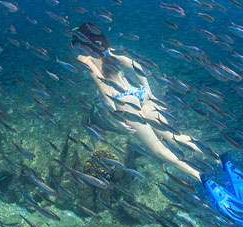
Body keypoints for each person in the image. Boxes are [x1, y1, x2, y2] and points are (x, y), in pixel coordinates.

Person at [71, 22, 208, 180]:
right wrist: (149, 91)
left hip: (124, 100)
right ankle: (218, 159)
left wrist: (116, 116)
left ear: (81, 41)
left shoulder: (84, 58)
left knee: (158, 149)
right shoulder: (107, 50)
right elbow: (135, 65)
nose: (74, 46)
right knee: (174, 137)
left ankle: (200, 176)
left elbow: (104, 86)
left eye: (75, 42)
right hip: (139, 93)